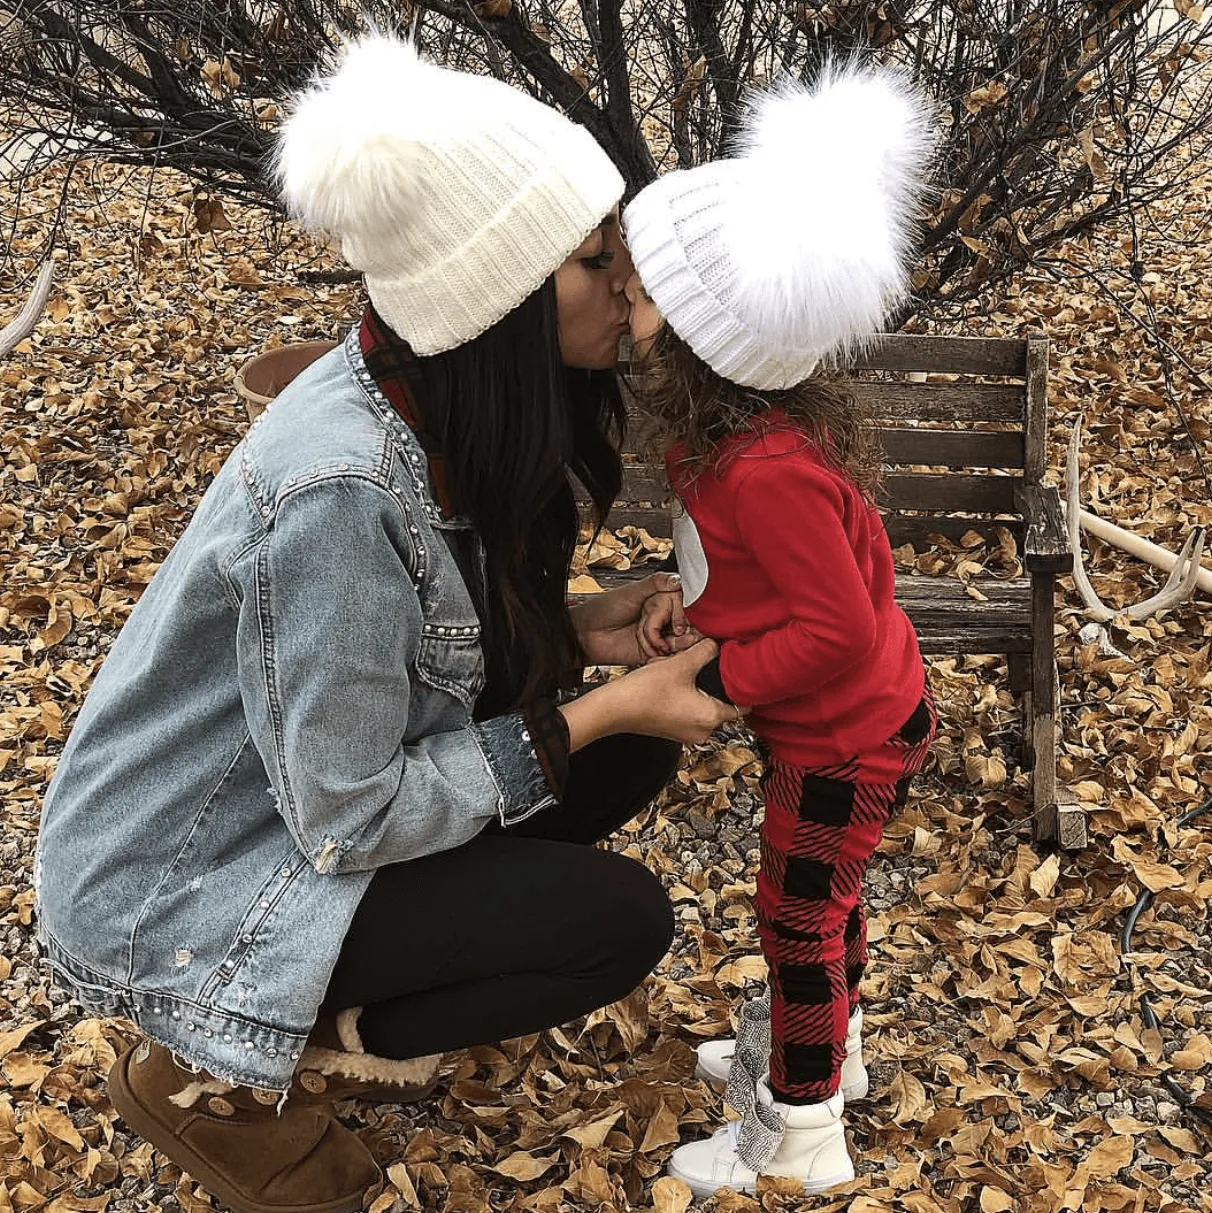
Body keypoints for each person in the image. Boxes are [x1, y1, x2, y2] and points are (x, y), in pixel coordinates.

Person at [33, 33, 736, 1213]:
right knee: (619, 922)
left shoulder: (418, 386)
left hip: (284, 802)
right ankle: (221, 1066)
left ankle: (319, 999)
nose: (634, 290)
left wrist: (581, 632)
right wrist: (601, 702)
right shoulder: (341, 493)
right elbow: (350, 813)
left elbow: (401, 651)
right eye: (596, 261)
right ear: (498, 298)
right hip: (180, 879)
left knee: (626, 754)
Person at [621, 61, 938, 1196]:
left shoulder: (766, 471)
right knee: (825, 902)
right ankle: (831, 1055)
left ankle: (800, 1130)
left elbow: (841, 630)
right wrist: (689, 602)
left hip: (846, 732)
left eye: (646, 290)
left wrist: (726, 672)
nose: (626, 301)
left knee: (796, 918)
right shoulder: (730, 448)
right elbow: (754, 578)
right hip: (839, 723)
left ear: (703, 336)